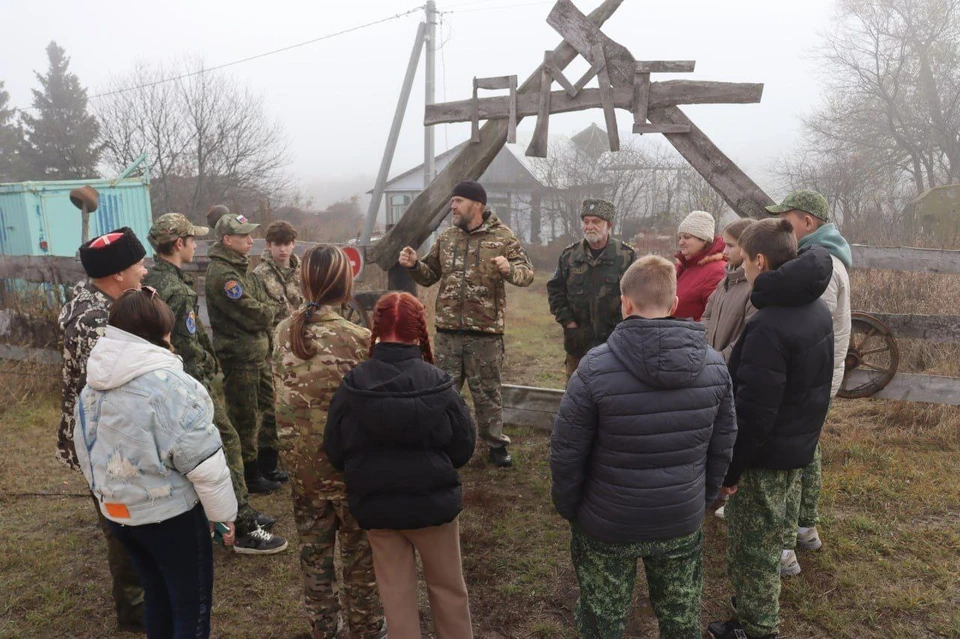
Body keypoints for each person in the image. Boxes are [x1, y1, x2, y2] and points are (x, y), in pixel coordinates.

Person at [551, 255, 737, 639]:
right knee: (681, 617)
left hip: (606, 523)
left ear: (625, 304)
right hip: (679, 517)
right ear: (673, 305)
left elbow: (567, 451)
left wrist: (570, 507)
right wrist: (701, 501)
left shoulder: (592, 368)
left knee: (602, 620)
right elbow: (722, 446)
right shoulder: (715, 366)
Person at [74, 288, 238, 639]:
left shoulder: (91, 388)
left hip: (121, 516)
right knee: (189, 608)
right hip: (171, 519)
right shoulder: (171, 386)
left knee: (156, 595)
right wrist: (222, 516)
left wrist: (108, 499)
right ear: (161, 334)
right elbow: (204, 464)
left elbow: (85, 451)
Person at [707, 219, 834, 639]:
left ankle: (757, 628)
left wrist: (730, 471)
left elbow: (754, 410)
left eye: (742, 259)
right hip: (796, 445)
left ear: (759, 260)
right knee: (769, 536)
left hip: (764, 457)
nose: (740, 268)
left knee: (754, 548)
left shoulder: (768, 324)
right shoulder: (814, 308)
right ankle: (751, 614)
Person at [325, 292, 477, 639]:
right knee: (449, 591)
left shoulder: (352, 386)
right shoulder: (439, 383)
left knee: (396, 599)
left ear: (375, 328)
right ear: (418, 329)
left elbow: (335, 452)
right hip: (434, 509)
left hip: (379, 511)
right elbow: (463, 448)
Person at [144, 213, 287, 555]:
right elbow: (185, 344)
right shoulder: (176, 289)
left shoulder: (158, 279)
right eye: (192, 240)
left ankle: (227, 516)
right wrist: (207, 365)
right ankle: (240, 526)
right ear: (178, 244)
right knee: (227, 441)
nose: (196, 244)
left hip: (169, 383)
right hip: (187, 383)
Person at [273, 245, 385, 639]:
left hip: (303, 468)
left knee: (314, 555)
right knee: (361, 558)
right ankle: (368, 630)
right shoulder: (360, 339)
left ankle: (323, 629)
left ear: (304, 283)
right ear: (346, 283)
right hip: (350, 470)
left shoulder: (284, 332)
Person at [398, 180, 535, 468]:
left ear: (478, 204)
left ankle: (495, 445)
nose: (453, 206)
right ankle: (437, 442)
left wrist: (510, 270)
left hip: (484, 334)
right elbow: (429, 274)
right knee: (440, 392)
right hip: (447, 332)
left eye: (458, 201)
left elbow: (528, 274)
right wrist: (413, 265)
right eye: (452, 201)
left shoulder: (503, 237)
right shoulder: (447, 238)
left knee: (487, 393)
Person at [57, 226, 147, 631]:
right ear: (117, 275)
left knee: (129, 516)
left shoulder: (106, 300)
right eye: (138, 265)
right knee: (120, 522)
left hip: (110, 431)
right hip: (102, 438)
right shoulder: (94, 320)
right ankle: (134, 609)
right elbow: (119, 380)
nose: (145, 271)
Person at [768, 189, 852, 572]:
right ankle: (805, 528)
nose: (782, 228)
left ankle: (785, 546)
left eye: (787, 221)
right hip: (816, 376)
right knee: (808, 451)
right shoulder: (820, 258)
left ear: (808, 223)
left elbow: (809, 323)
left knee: (792, 458)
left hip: (811, 378)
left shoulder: (824, 266)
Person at [205, 213, 281, 494]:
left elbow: (261, 302)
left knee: (266, 409)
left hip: (256, 354)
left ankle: (263, 466)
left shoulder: (241, 268)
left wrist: (266, 311)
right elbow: (254, 312)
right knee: (244, 418)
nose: (251, 241)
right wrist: (270, 313)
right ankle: (248, 476)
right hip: (240, 358)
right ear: (227, 240)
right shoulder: (224, 275)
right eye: (244, 236)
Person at [547, 198, 637, 381]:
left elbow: (636, 296)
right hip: (578, 342)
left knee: (612, 393)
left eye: (596, 222)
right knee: (576, 395)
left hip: (614, 344)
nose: (589, 226)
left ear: (609, 225)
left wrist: (625, 327)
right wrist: (568, 323)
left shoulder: (626, 256)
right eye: (586, 221)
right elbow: (555, 291)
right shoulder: (569, 255)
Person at [251, 219, 304, 483]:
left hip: (299, 347)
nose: (283, 250)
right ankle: (267, 464)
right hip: (271, 350)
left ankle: (298, 458)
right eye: (278, 245)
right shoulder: (259, 275)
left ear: (294, 245)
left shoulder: (301, 271)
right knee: (272, 408)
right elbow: (258, 315)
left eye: (288, 244)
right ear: (269, 246)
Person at [675, 210, 726, 321]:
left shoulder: (717, 271)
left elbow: (713, 319)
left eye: (686, 237)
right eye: (680, 237)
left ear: (704, 240)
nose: (681, 242)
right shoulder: (685, 266)